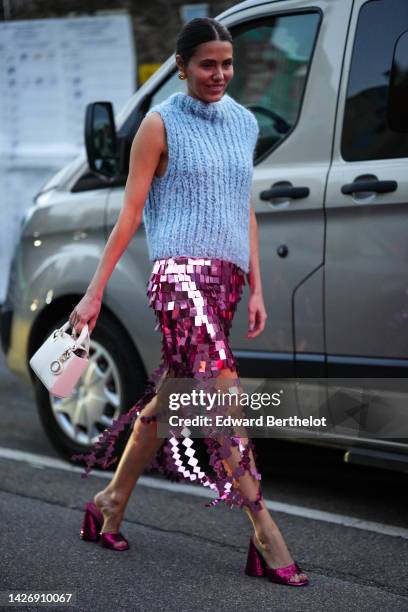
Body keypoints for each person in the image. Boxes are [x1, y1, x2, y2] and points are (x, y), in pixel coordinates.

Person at [69, 17, 309, 587]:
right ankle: (266, 534)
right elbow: (130, 214)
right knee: (223, 402)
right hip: (179, 280)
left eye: (227, 63)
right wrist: (94, 290)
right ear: (181, 67)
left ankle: (108, 504)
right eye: (207, 64)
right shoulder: (159, 125)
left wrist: (256, 284)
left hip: (224, 282)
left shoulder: (244, 123)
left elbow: (241, 206)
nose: (219, 73)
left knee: (172, 399)